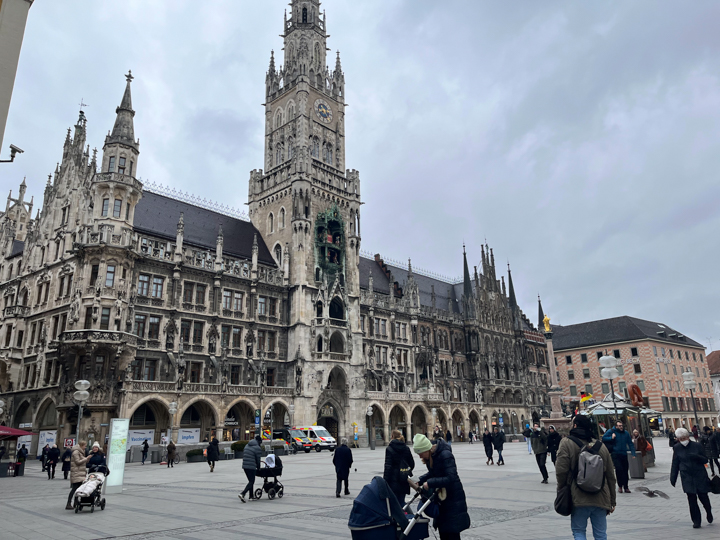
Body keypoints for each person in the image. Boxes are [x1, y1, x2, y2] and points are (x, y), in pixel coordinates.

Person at [556, 414, 616, 540]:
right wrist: (612, 500)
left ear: (575, 425)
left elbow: (561, 471)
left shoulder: (566, 443)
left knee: (579, 532)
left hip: (578, 496)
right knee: (601, 534)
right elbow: (610, 475)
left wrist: (561, 489)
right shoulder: (601, 445)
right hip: (601, 496)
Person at [410, 434, 470, 540]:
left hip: (453, 499)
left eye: (420, 453)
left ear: (426, 449)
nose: (420, 457)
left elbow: (451, 477)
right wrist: (420, 480)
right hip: (443, 501)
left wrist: (430, 483)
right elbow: (433, 473)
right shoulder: (433, 456)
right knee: (444, 532)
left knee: (452, 533)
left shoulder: (445, 455)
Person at [670, 427, 713, 528]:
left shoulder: (697, 445)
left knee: (703, 497)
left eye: (684, 438)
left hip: (699, 475)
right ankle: (696, 521)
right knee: (691, 499)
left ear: (688, 437)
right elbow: (675, 463)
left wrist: (697, 457)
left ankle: (708, 511)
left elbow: (705, 459)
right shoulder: (677, 447)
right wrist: (673, 477)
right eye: (680, 439)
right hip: (687, 476)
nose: (683, 440)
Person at [602, 420, 635, 493]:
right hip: (615, 453)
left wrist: (633, 453)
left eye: (622, 425)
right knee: (619, 469)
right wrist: (611, 438)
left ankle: (626, 487)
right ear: (616, 426)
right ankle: (620, 486)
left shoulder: (626, 433)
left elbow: (630, 443)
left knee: (625, 470)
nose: (621, 427)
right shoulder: (611, 431)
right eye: (619, 426)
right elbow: (603, 438)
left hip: (624, 454)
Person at [383, 430, 415, 505]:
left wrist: (385, 481)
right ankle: (404, 512)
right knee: (401, 501)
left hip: (393, 480)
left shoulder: (389, 448)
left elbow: (388, 467)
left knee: (393, 503)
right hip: (404, 479)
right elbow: (412, 464)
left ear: (392, 437)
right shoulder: (406, 448)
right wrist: (405, 471)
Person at [238, 435, 262, 502]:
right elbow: (258, 459)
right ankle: (242, 493)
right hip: (251, 466)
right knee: (251, 481)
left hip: (245, 466)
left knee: (250, 481)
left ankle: (251, 496)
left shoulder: (247, 445)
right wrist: (259, 468)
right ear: (259, 441)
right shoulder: (257, 448)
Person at [66, 441, 89, 510]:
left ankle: (75, 503)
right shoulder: (76, 452)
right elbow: (77, 462)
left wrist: (86, 459)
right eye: (84, 446)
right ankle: (68, 503)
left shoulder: (80, 452)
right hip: (76, 473)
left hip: (79, 473)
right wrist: (86, 458)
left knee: (78, 489)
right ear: (81, 445)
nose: (85, 447)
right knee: (74, 489)